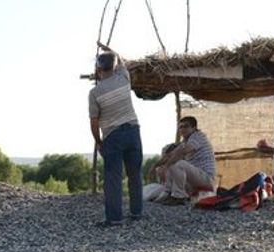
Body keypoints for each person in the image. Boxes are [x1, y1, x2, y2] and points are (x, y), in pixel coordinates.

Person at [88, 51, 143, 226]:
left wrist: (98, 141)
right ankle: (136, 213)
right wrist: (109, 50)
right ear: (114, 66)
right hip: (133, 131)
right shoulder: (124, 78)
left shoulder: (95, 92)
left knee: (113, 178)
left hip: (112, 135)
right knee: (135, 174)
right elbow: (119, 57)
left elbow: (94, 121)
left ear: (98, 68)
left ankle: (114, 218)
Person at [153, 116, 216, 205]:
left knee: (177, 163)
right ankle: (168, 194)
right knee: (170, 164)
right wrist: (155, 167)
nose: (182, 129)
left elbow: (183, 152)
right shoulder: (185, 141)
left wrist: (166, 166)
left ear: (194, 128)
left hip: (206, 179)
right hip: (194, 179)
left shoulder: (198, 136)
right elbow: (170, 155)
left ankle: (179, 196)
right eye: (180, 127)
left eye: (186, 126)